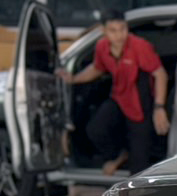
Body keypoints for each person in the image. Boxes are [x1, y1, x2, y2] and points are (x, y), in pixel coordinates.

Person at [62, 11, 169, 175]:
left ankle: (132, 187)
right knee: (96, 129)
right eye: (113, 30)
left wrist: (159, 107)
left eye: (122, 29)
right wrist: (74, 79)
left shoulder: (140, 47)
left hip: (141, 106)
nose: (119, 35)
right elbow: (97, 68)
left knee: (139, 166)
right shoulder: (101, 47)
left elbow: (160, 74)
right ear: (104, 31)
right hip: (119, 99)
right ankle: (119, 156)